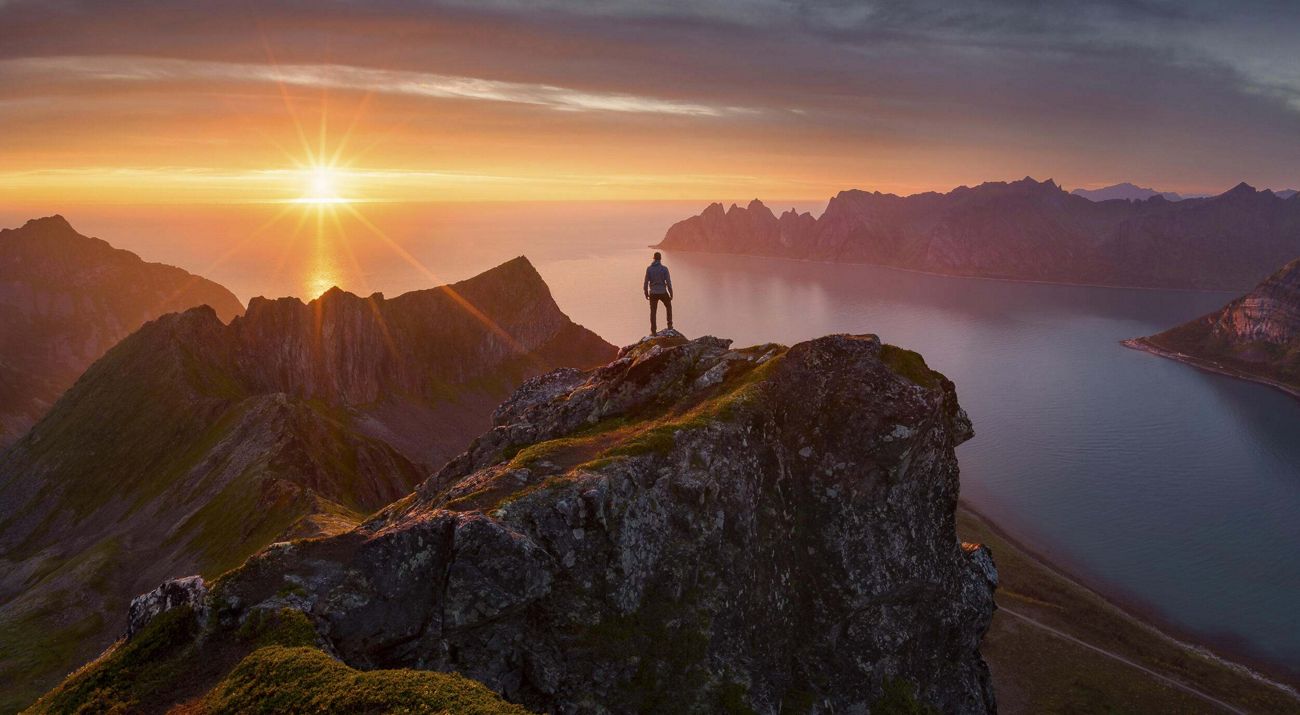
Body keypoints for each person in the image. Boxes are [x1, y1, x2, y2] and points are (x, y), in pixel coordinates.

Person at [643, 251, 673, 334]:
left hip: (653, 293)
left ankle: (653, 330)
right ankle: (669, 325)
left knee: (653, 312)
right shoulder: (664, 269)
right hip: (663, 292)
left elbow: (645, 282)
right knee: (668, 306)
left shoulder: (649, 269)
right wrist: (671, 293)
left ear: (654, 258)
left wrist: (646, 292)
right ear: (660, 259)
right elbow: (668, 282)